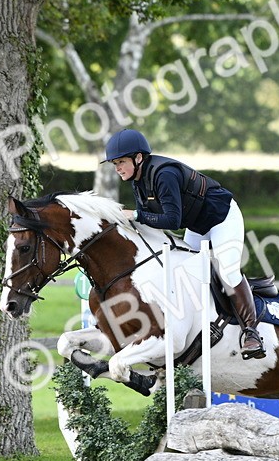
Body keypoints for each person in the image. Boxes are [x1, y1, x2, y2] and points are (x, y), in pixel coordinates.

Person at [102, 128, 265, 360]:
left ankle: (251, 332)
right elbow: (148, 220)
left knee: (227, 271)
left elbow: (172, 220)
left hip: (222, 218)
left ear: (138, 158)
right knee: (184, 271)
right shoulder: (137, 179)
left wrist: (135, 215)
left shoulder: (163, 174)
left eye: (121, 162)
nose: (117, 168)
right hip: (198, 226)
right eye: (114, 163)